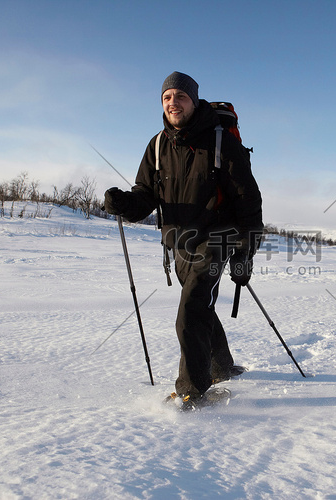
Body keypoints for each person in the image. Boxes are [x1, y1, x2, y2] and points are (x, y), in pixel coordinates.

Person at [103, 71, 263, 407]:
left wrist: (245, 253)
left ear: (194, 101)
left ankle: (192, 389)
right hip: (179, 242)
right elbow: (146, 194)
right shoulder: (158, 145)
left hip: (219, 237)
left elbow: (248, 199)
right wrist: (124, 204)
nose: (173, 103)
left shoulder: (221, 141)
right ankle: (221, 365)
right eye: (166, 97)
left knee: (191, 306)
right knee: (200, 304)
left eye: (180, 96)